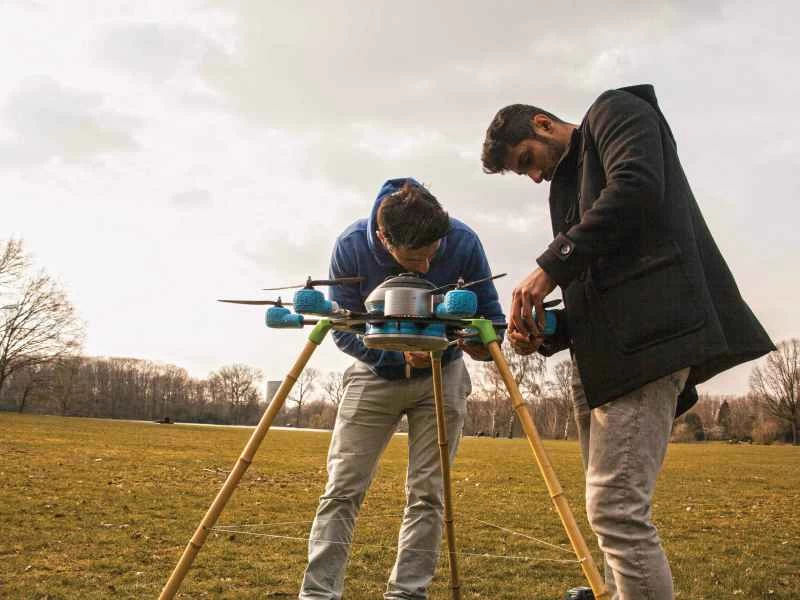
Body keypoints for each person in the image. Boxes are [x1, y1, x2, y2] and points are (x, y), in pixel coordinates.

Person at [481, 85, 774, 600]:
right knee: (608, 508)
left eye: (527, 159)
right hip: (603, 360)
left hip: (649, 347)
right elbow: (599, 284)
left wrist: (550, 265)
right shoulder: (566, 187)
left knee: (616, 506)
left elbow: (637, 187)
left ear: (544, 124)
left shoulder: (617, 111)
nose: (532, 176)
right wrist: (544, 333)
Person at [299, 178, 504, 600]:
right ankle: (319, 593)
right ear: (383, 239)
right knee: (342, 488)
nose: (427, 268)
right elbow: (340, 328)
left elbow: (492, 323)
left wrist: (465, 342)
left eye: (433, 256)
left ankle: (407, 593)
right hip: (372, 376)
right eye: (415, 259)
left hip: (442, 376)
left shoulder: (463, 242)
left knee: (428, 494)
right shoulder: (351, 245)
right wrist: (396, 357)